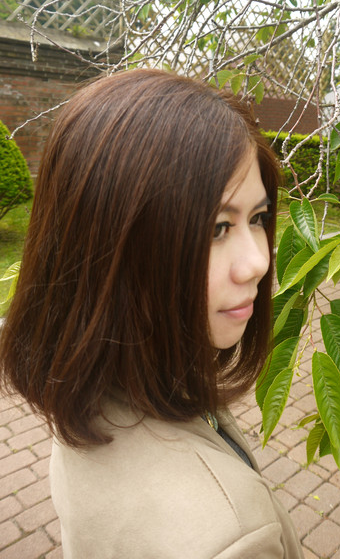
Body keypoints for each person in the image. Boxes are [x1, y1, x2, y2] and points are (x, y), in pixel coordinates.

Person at [0, 69, 304, 558]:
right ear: (110, 251)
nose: (258, 262)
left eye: (258, 218)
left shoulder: (89, 390)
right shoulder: (232, 538)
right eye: (216, 228)